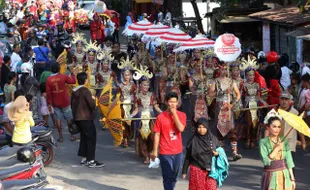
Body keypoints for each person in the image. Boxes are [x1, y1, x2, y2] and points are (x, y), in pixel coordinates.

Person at [152, 92, 187, 190]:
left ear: (177, 103)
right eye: (171, 102)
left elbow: (180, 129)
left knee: (174, 176)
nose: (173, 104)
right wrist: (155, 151)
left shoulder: (182, 115)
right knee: (167, 177)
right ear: (167, 102)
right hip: (165, 151)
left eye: (175, 102)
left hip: (178, 151)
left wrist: (174, 114)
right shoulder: (160, 117)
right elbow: (157, 134)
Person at [71, 72, 104, 168]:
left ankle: (84, 158)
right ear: (85, 81)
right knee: (91, 138)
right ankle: (91, 160)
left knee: (84, 138)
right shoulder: (85, 91)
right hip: (86, 117)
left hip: (78, 117)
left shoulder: (74, 91)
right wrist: (93, 99)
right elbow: (92, 105)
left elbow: (72, 105)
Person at [182, 118, 220, 190]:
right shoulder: (193, 140)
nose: (201, 129)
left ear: (207, 127)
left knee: (211, 188)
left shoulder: (213, 139)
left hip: (211, 170)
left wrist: (217, 153)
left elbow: (221, 152)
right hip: (197, 170)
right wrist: (184, 171)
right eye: (199, 127)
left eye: (204, 127)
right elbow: (188, 157)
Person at [260, 116, 296, 190]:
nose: (277, 129)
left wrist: (292, 179)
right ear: (268, 127)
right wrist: (276, 149)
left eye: (279, 127)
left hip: (284, 175)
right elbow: (266, 161)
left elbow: (289, 160)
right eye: (274, 126)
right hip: (270, 176)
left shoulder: (284, 141)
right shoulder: (263, 142)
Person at [46, 61, 77, 142]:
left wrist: (49, 103)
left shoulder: (49, 79)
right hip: (65, 101)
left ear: (51, 70)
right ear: (59, 68)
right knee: (69, 119)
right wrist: (72, 73)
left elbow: (48, 93)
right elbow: (73, 81)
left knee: (58, 119)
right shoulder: (63, 76)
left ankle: (61, 137)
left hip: (55, 103)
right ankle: (72, 136)